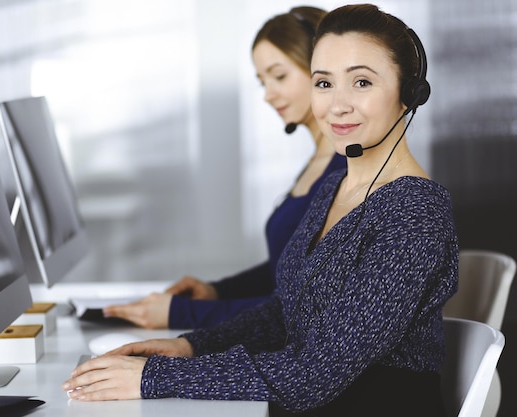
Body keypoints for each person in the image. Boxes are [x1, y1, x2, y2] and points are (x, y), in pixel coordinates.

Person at [62, 4, 458, 416]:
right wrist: (190, 345)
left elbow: (313, 374)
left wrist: (153, 378)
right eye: (323, 83)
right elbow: (288, 309)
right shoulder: (340, 186)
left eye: (361, 82)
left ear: (409, 92)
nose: (337, 105)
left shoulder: (415, 213)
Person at [103, 6, 347, 330]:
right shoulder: (317, 163)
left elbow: (302, 305)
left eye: (279, 76)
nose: (267, 95)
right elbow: (286, 268)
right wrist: (217, 291)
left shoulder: (346, 172)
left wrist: (179, 314)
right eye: (262, 82)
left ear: (320, 69)